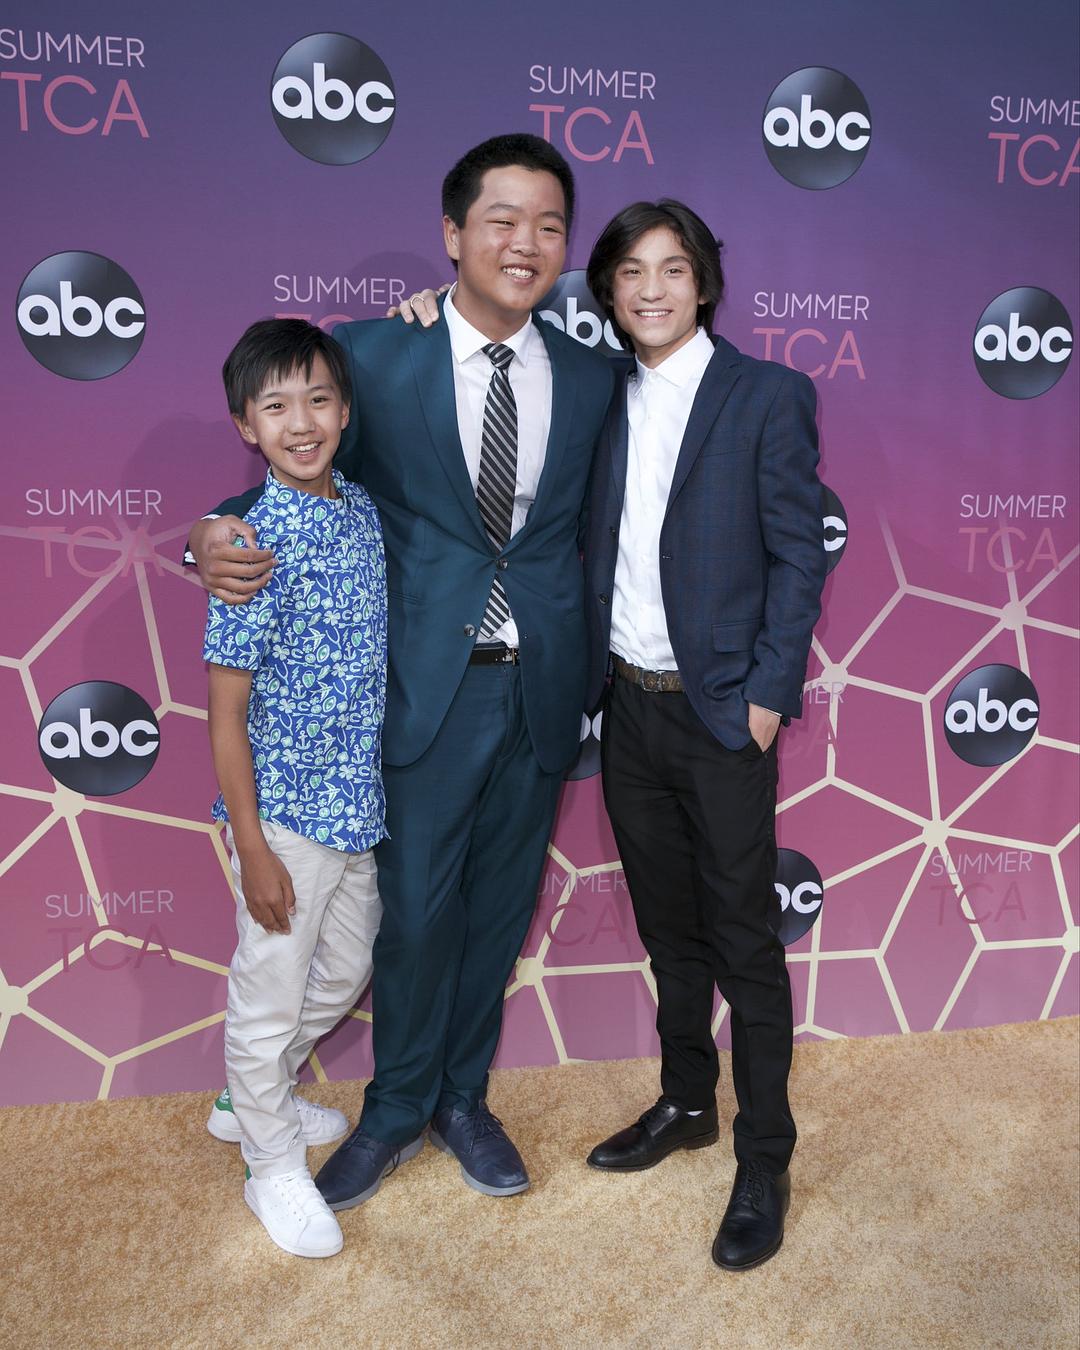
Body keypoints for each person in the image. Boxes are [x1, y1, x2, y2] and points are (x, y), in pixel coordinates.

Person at [188, 135, 615, 1208]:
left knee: (498, 910)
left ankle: (462, 1100)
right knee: (415, 917)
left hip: (542, 685)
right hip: (425, 691)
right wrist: (206, 536)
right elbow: (296, 470)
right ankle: (393, 1109)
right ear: (453, 235)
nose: (526, 243)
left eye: (549, 225)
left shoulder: (593, 373)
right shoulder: (375, 356)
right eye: (502, 220)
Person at [580, 200, 826, 1270]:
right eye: (632, 271)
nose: (652, 289)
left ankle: (764, 1156)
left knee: (744, 943)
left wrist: (768, 693)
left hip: (724, 713)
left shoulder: (767, 393)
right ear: (608, 288)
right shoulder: (598, 393)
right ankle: (688, 1102)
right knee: (667, 931)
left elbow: (800, 554)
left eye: (672, 269)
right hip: (627, 711)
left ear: (705, 283)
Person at [204, 318, 386, 1258]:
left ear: (345, 410)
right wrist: (253, 844)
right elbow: (225, 714)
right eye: (276, 406)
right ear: (248, 425)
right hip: (282, 816)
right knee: (268, 994)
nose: (301, 422)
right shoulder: (247, 545)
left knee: (346, 971)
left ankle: (252, 1094)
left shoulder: (364, 513)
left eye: (318, 399)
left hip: (359, 807)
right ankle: (269, 1163)